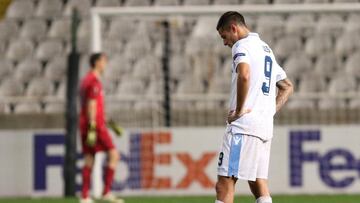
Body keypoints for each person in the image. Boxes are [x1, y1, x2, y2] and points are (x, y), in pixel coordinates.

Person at [215, 11, 293, 203]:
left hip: (244, 126)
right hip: (264, 128)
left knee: (225, 183)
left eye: (224, 37)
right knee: (258, 183)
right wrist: (268, 112)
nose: (225, 43)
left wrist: (240, 110)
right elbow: (287, 87)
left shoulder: (242, 46)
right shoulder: (265, 48)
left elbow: (244, 74)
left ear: (234, 28)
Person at [79, 53, 123, 203]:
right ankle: (106, 192)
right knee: (114, 154)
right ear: (97, 62)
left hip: (89, 123)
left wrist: (110, 122)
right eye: (104, 61)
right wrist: (93, 125)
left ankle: (85, 196)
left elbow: (94, 105)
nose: (106, 64)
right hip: (95, 125)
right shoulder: (93, 81)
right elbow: (91, 105)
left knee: (89, 158)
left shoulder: (86, 80)